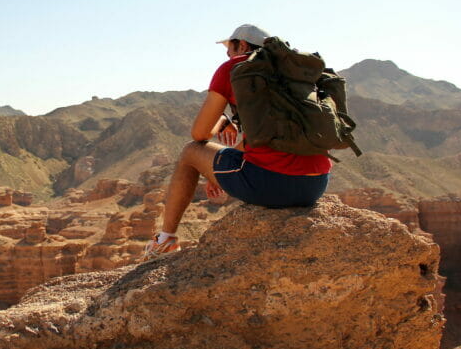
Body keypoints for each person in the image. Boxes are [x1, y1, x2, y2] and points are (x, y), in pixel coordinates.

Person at [142, 24, 332, 261]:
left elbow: (199, 135)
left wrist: (221, 122)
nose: (226, 54)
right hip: (316, 186)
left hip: (271, 186)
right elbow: (268, 137)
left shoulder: (234, 68)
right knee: (227, 158)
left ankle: (165, 241)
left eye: (229, 47)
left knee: (190, 152)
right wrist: (219, 168)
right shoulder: (292, 72)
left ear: (241, 45)